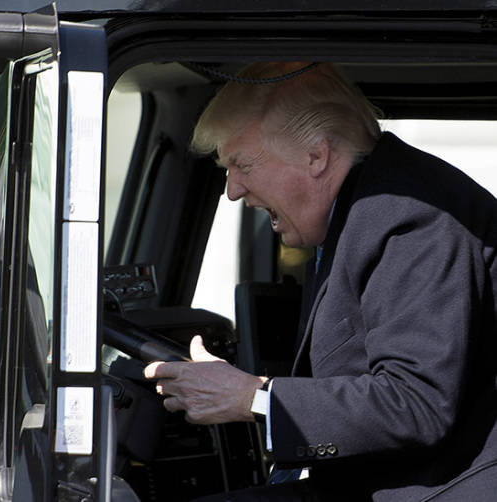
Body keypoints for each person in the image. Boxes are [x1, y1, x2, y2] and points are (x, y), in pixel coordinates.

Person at [144, 62, 497, 501]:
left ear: (317, 156)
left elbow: (416, 403)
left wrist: (253, 398)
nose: (232, 190)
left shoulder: (408, 217)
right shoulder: (359, 213)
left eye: (242, 164)